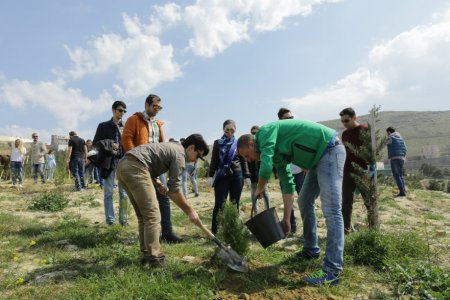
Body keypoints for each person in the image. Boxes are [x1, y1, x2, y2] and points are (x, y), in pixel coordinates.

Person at [237, 119, 345, 286]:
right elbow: (287, 184)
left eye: (246, 155)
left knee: (331, 209)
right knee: (304, 200)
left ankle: (332, 271)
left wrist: (260, 187)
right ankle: (311, 249)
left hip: (329, 150)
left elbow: (265, 166)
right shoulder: (277, 155)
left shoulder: (265, 133)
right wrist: (286, 219)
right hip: (317, 161)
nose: (249, 160)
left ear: (251, 143)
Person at [116, 134, 208, 267]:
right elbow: (174, 191)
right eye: (198, 156)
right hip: (135, 167)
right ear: (191, 148)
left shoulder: (172, 148)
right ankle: (155, 260)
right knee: (153, 215)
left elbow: (148, 161)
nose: (195, 161)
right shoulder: (180, 155)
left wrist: (158, 183)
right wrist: (190, 211)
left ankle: (147, 254)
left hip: (123, 166)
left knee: (144, 216)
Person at [122, 94, 183, 243]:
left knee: (164, 197)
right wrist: (134, 156)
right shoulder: (134, 119)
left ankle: (167, 233)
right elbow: (127, 138)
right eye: (155, 107)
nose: (157, 110)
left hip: (156, 165)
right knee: (147, 203)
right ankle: (148, 238)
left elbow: (163, 144)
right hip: (139, 163)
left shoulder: (158, 124)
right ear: (146, 105)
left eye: (159, 108)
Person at [207, 119, 250, 235]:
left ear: (235, 130)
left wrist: (247, 176)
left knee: (235, 203)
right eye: (227, 130)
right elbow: (214, 160)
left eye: (232, 130)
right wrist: (210, 175)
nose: (230, 132)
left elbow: (243, 160)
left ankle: (233, 230)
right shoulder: (218, 143)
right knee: (219, 204)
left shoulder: (238, 143)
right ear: (223, 130)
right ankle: (215, 231)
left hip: (237, 176)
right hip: (222, 176)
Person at [93, 100, 129, 225]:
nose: (122, 113)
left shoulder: (127, 126)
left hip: (124, 162)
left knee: (124, 193)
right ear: (113, 110)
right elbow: (95, 143)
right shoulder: (103, 126)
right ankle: (110, 220)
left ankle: (124, 220)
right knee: (108, 192)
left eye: (124, 111)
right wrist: (109, 143)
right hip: (108, 162)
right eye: (120, 110)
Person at [339, 108, 369, 234]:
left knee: (368, 200)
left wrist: (370, 170)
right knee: (346, 201)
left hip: (363, 171)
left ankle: (373, 228)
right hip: (347, 171)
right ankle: (346, 229)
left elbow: (371, 150)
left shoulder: (364, 129)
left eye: (346, 120)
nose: (344, 123)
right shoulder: (345, 134)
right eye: (342, 121)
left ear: (354, 117)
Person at [277, 108, 306, 233]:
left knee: (304, 200)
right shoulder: (278, 134)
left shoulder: (297, 131)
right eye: (286, 119)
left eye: (291, 118)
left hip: (300, 172)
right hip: (285, 173)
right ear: (280, 120)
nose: (290, 121)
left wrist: (306, 165)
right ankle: (291, 226)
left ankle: (308, 227)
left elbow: (305, 148)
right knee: (288, 200)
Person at [248, 126, 270, 215]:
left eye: (256, 133)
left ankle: (268, 211)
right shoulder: (249, 146)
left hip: (263, 174)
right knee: (254, 194)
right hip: (252, 175)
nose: (255, 134)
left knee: (265, 193)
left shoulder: (263, 144)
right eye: (253, 133)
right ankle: (256, 212)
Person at [386, 127, 407, 197]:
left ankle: (402, 192)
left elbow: (385, 143)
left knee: (396, 175)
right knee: (400, 175)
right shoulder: (401, 138)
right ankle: (403, 190)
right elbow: (405, 148)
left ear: (389, 132)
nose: (387, 134)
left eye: (387, 133)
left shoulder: (390, 137)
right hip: (402, 158)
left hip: (394, 158)